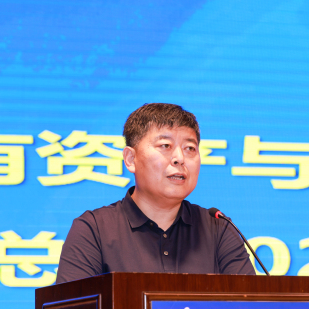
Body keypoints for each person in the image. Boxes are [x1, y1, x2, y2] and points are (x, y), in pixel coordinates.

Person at [56, 103, 255, 283]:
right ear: (131, 159)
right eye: (165, 146)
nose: (179, 158)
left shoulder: (219, 229)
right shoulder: (94, 231)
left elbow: (250, 306)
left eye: (189, 148)